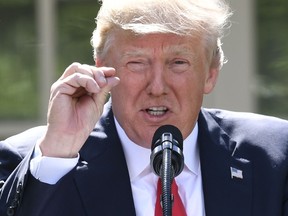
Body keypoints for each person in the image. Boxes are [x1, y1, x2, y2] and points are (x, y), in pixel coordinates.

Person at [1, 0, 288, 215]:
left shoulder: (276, 157)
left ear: (210, 73)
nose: (157, 86)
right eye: (136, 63)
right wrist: (59, 149)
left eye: (178, 63)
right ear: (102, 69)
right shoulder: (33, 161)